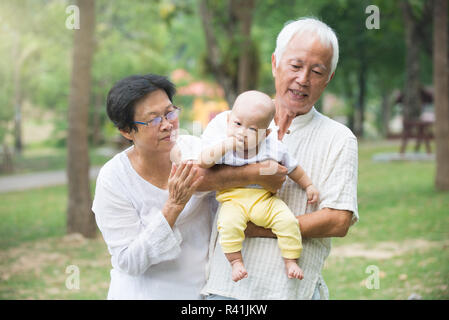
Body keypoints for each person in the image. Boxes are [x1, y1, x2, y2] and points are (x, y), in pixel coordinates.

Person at [200, 17, 359, 300]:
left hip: (292, 292)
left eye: (317, 71)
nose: (303, 79)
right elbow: (195, 179)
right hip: (225, 290)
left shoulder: (339, 138)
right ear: (275, 63)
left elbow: (338, 220)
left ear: (329, 78)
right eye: (295, 66)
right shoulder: (229, 122)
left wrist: (261, 227)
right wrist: (254, 174)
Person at [92, 74, 286, 299]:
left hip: (201, 294)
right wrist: (173, 206)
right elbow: (128, 261)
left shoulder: (196, 150)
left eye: (169, 112)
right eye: (153, 119)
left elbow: (237, 184)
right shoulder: (114, 179)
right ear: (126, 131)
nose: (166, 125)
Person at [198, 90, 319, 282]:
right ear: (229, 120)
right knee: (228, 225)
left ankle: (290, 260)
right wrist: (225, 145)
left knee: (287, 221)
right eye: (237, 124)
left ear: (266, 133)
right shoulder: (224, 146)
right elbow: (203, 161)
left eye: (252, 130)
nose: (242, 133)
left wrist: (309, 185)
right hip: (232, 200)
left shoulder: (272, 147)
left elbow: (293, 168)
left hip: (265, 200)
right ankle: (236, 261)